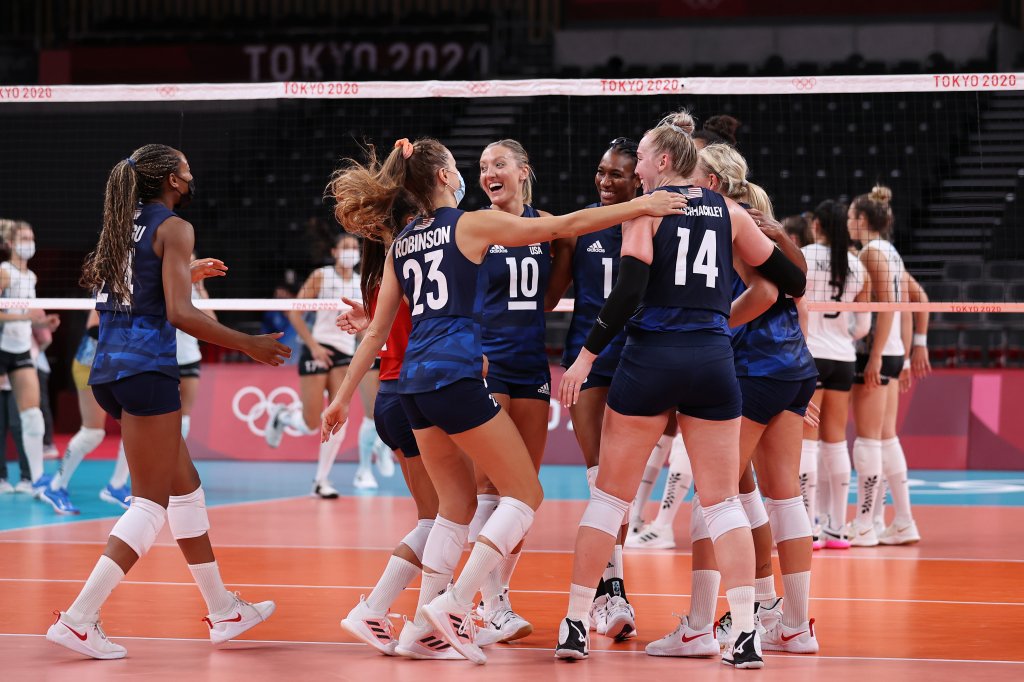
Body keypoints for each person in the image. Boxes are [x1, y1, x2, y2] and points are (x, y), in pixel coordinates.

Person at [322, 136, 687, 665]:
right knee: (525, 494)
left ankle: (415, 630)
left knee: (454, 508)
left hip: (410, 388)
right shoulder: (469, 224)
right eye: (460, 166)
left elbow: (377, 332)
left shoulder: (403, 241)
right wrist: (643, 204)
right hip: (455, 377)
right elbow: (558, 228)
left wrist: (341, 398)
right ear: (446, 177)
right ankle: (458, 602)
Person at [556, 112, 807, 668]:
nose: (636, 167)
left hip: (651, 360)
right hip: (713, 362)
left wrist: (586, 357)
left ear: (664, 162)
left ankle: (574, 623)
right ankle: (744, 633)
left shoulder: (650, 208)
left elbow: (627, 292)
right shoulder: (730, 211)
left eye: (642, 157)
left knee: (609, 497)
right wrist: (768, 248)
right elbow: (792, 282)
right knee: (723, 504)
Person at [46, 143, 290, 660]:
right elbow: (180, 314)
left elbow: (135, 288)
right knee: (150, 503)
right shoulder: (173, 227)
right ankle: (79, 618)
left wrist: (182, 271)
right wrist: (248, 343)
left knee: (187, 494)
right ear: (172, 180)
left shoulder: (120, 221)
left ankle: (223, 610)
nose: (192, 171)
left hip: (110, 368)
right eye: (185, 166)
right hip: (147, 370)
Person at [660, 142, 817, 656]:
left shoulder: (727, 221)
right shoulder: (763, 220)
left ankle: (700, 626)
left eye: (696, 173)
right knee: (782, 497)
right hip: (791, 367)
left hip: (752, 368)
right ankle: (793, 625)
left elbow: (768, 294)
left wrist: (713, 324)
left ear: (715, 183)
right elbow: (796, 288)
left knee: (716, 497)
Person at [333, 190, 452, 658]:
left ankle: (422, 615)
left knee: (437, 515)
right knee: (449, 514)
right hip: (413, 393)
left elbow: (388, 321)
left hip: (390, 397)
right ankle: (397, 614)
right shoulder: (413, 257)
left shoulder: (382, 266)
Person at [552, 136, 647, 639]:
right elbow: (548, 297)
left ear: (640, 179)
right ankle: (612, 591)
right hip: (586, 362)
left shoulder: (655, 221)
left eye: (616, 174)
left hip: (643, 359)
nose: (605, 181)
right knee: (599, 479)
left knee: (621, 484)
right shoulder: (580, 226)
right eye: (601, 172)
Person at [469, 139, 557, 646]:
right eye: (482, 167)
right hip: (489, 362)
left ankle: (497, 599)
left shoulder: (545, 227)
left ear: (524, 171)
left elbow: (554, 289)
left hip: (531, 363)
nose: (488, 173)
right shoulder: (475, 226)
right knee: (489, 486)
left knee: (524, 489)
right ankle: (486, 604)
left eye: (498, 164)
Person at [264, 232, 370, 495]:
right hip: (318, 347)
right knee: (312, 422)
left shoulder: (361, 282)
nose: (351, 251)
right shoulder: (322, 275)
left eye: (354, 247)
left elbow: (361, 326)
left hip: (345, 352)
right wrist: (313, 346)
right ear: (334, 252)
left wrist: (369, 346)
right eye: (345, 247)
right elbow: (294, 312)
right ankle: (284, 416)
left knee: (336, 418)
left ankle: (321, 481)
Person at [847, 185, 920, 546]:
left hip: (874, 350)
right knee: (886, 437)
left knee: (868, 440)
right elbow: (911, 301)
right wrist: (904, 354)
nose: (846, 222)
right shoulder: (890, 252)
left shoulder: (871, 254)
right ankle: (900, 520)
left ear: (862, 220)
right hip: (890, 349)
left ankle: (864, 524)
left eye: (850, 217)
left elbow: (892, 306)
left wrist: (877, 355)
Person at [801, 200, 870, 549]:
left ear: (817, 225)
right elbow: (863, 327)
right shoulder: (857, 266)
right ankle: (838, 528)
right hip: (843, 358)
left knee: (806, 442)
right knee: (835, 441)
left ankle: (807, 528)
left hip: (809, 356)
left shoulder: (804, 256)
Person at [44, 310, 134, 514]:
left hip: (122, 365)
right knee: (93, 433)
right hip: (90, 364)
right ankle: (56, 486)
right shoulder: (109, 283)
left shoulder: (144, 287)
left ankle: (117, 486)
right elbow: (94, 329)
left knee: (135, 426)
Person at [0, 219, 58, 506]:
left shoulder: (31, 277)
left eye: (32, 237)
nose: (29, 242)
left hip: (22, 348)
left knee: (32, 415)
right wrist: (27, 317)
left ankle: (35, 479)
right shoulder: (5, 273)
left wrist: (41, 322)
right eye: (24, 237)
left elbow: (27, 314)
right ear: (10, 243)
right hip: (1, 347)